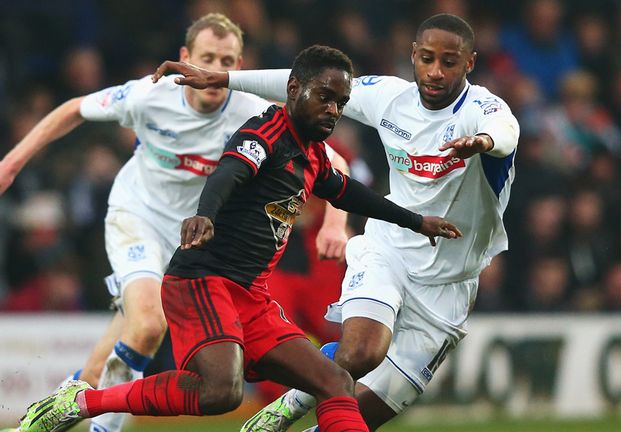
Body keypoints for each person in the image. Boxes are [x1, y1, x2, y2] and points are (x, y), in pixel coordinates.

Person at [9, 44, 461, 432]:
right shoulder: (266, 131)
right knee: (221, 391)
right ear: (293, 89)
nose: (332, 109)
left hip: (249, 295)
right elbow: (230, 171)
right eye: (324, 96)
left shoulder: (315, 156)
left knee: (336, 383)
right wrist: (205, 215)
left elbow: (351, 194)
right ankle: (78, 403)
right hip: (202, 281)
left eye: (340, 102)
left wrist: (416, 221)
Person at [0, 13, 351, 432]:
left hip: (194, 236)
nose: (215, 69)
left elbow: (332, 162)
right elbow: (73, 109)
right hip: (137, 216)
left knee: (127, 340)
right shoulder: (148, 95)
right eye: (207, 57)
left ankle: (56, 410)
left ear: (240, 66)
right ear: (185, 57)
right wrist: (9, 165)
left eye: (226, 60)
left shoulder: (256, 111)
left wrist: (334, 225)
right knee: (149, 321)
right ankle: (98, 421)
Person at [153, 13, 520, 431]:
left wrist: (483, 142)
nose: (436, 72)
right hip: (389, 250)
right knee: (361, 353)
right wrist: (218, 77)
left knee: (379, 409)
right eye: (428, 59)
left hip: (451, 282)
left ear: (469, 63)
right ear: (413, 55)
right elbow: (295, 80)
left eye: (449, 62)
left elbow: (506, 130)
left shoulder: (482, 110)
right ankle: (288, 407)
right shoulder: (389, 96)